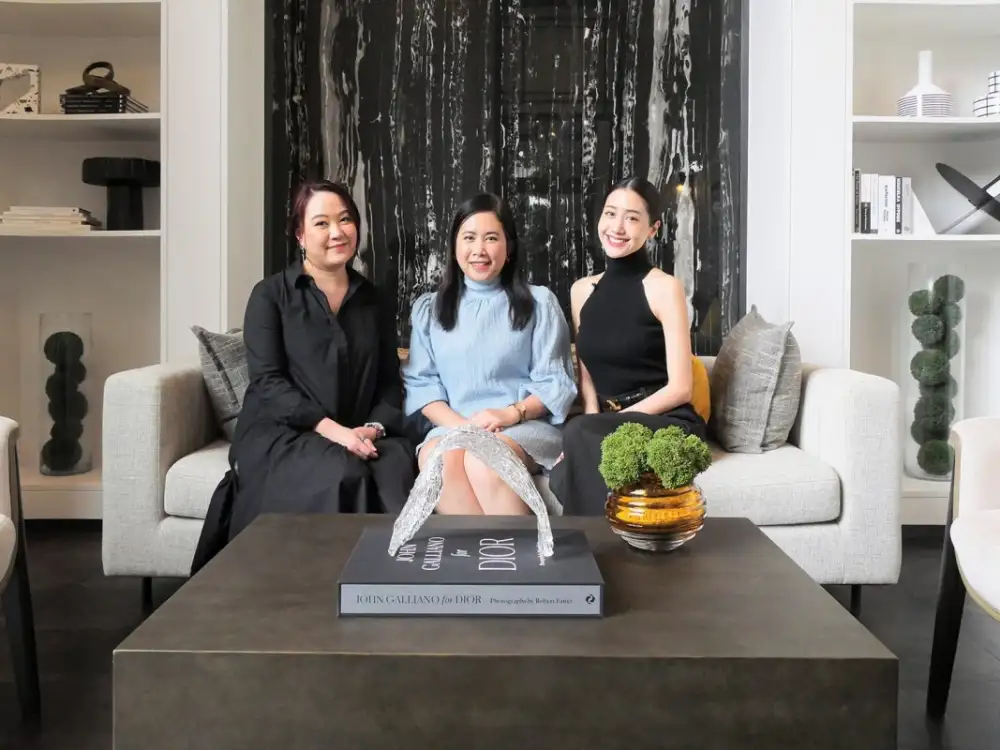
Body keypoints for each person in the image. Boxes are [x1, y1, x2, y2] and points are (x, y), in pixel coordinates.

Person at [192, 180, 417, 571]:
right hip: (284, 431)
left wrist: (372, 429)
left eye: (345, 220)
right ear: (300, 235)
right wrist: (335, 432)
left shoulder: (373, 300)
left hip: (358, 430)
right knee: (340, 472)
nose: (337, 232)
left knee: (394, 466)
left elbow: (388, 381)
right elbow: (268, 383)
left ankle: (388, 588)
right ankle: (323, 587)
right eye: (321, 223)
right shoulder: (270, 296)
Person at [401, 192, 577, 515]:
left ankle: (517, 547)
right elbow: (422, 386)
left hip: (521, 426)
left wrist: (510, 413)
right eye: (469, 238)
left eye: (491, 238)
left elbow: (554, 383)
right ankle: (479, 548)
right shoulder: (430, 310)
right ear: (455, 246)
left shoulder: (539, 304)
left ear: (509, 248)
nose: (479, 249)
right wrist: (465, 429)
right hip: (454, 426)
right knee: (440, 461)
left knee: (484, 460)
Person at [548, 176, 708, 515]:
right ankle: (610, 542)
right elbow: (586, 372)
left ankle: (587, 545)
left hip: (665, 419)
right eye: (610, 213)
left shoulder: (665, 287)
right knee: (563, 471)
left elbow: (681, 388)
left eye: (632, 218)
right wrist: (593, 423)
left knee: (576, 445)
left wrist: (596, 429)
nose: (617, 227)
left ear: (652, 229)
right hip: (607, 423)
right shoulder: (581, 291)